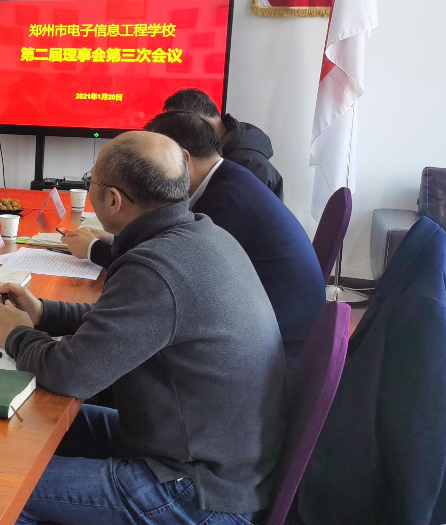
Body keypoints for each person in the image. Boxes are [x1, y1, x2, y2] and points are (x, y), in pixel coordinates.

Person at [0, 132, 284, 525]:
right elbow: (127, 322)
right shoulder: (199, 235)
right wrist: (43, 312)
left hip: (198, 502)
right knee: (24, 423)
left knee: (7, 494)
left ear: (111, 199)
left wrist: (15, 336)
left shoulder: (156, 267)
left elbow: (72, 373)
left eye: (91, 183)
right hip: (209, 461)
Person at [67, 111, 325, 366]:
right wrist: (114, 241)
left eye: (150, 165)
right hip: (265, 334)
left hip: (277, 353)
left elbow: (165, 275)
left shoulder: (225, 202)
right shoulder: (227, 179)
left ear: (183, 159)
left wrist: (94, 250)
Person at [162, 87, 284, 199]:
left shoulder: (252, 167)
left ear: (198, 121)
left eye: (177, 126)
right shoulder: (225, 153)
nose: (173, 136)